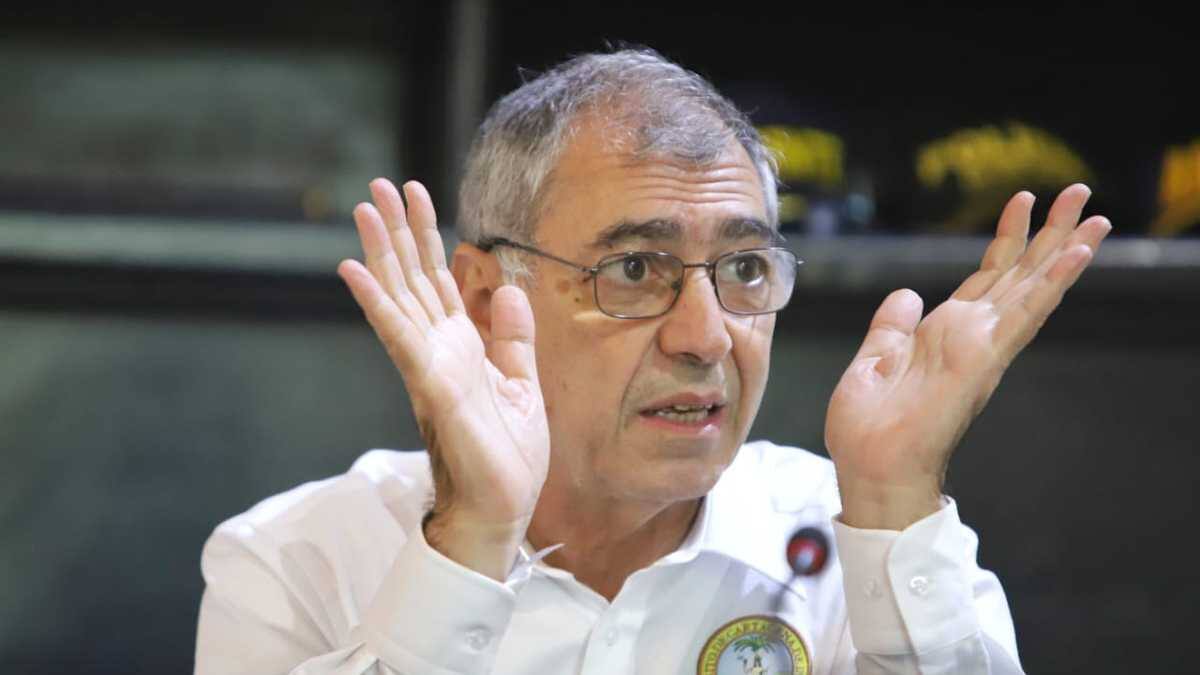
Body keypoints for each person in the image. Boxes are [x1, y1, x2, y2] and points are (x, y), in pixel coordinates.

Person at [195, 48, 1111, 674]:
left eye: (744, 269)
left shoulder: (857, 539)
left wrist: (895, 499)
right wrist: (470, 540)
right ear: (484, 299)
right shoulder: (294, 559)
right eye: (635, 270)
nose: (705, 337)